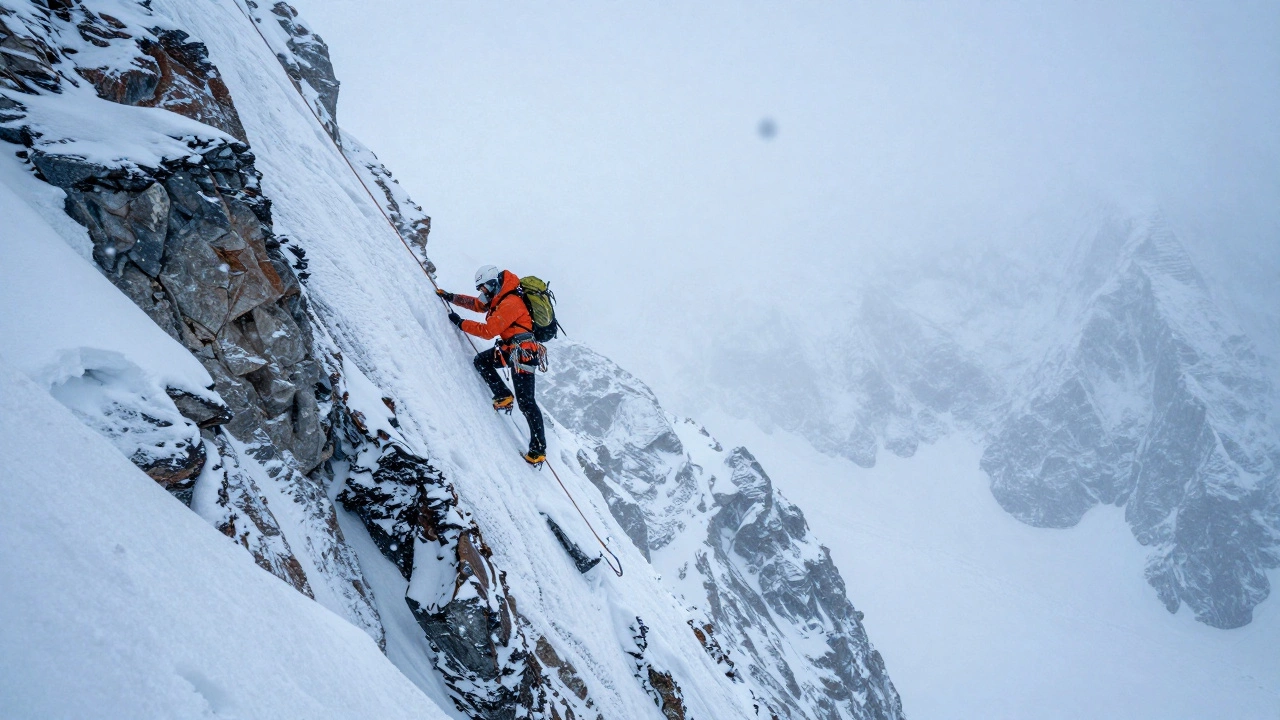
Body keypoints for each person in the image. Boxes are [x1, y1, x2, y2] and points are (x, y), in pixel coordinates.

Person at [438, 265, 547, 465]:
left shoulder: (511, 302)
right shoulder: (498, 297)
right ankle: (504, 396)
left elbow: (488, 331)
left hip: (522, 354)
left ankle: (538, 449)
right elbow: (477, 305)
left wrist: (461, 323)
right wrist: (452, 297)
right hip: (511, 351)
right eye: (481, 290)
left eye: (484, 289)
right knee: (482, 361)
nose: (483, 293)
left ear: (494, 283)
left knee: (526, 402)